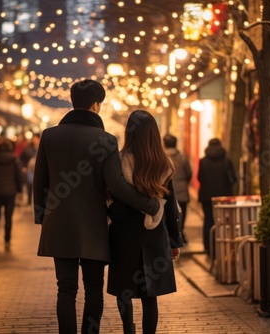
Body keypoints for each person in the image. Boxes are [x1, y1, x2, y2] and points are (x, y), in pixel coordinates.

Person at [33, 79, 162, 334]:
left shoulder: (50, 136)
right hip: (93, 227)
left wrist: (42, 217)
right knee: (93, 289)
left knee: (66, 289)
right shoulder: (105, 140)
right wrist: (150, 204)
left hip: (58, 224)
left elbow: (40, 182)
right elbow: (117, 186)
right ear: (95, 105)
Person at [107, 110, 183, 334]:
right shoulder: (164, 164)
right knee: (151, 295)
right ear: (154, 132)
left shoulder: (121, 161)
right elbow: (170, 206)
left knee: (124, 290)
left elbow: (115, 200)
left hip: (124, 234)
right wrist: (175, 240)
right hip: (154, 233)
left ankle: (128, 330)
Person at [197, 138, 237, 256]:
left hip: (207, 197)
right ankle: (221, 245)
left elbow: (200, 177)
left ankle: (208, 246)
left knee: (208, 220)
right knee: (222, 221)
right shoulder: (227, 160)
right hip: (223, 198)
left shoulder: (203, 161)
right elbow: (233, 178)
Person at [0, 138, 23, 251]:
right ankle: (7, 240)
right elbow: (19, 176)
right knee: (8, 217)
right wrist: (19, 189)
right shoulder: (14, 160)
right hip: (10, 193)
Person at [163, 133, 192, 245]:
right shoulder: (183, 158)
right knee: (182, 214)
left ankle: (171, 237)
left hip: (167, 191)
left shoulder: (162, 158)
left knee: (169, 214)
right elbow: (189, 174)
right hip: (182, 191)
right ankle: (180, 234)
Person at [19, 133, 40, 205]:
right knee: (30, 185)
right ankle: (29, 201)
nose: (35, 140)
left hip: (39, 170)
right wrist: (23, 167)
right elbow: (21, 159)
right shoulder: (27, 149)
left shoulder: (42, 148)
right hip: (30, 171)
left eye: (36, 138)